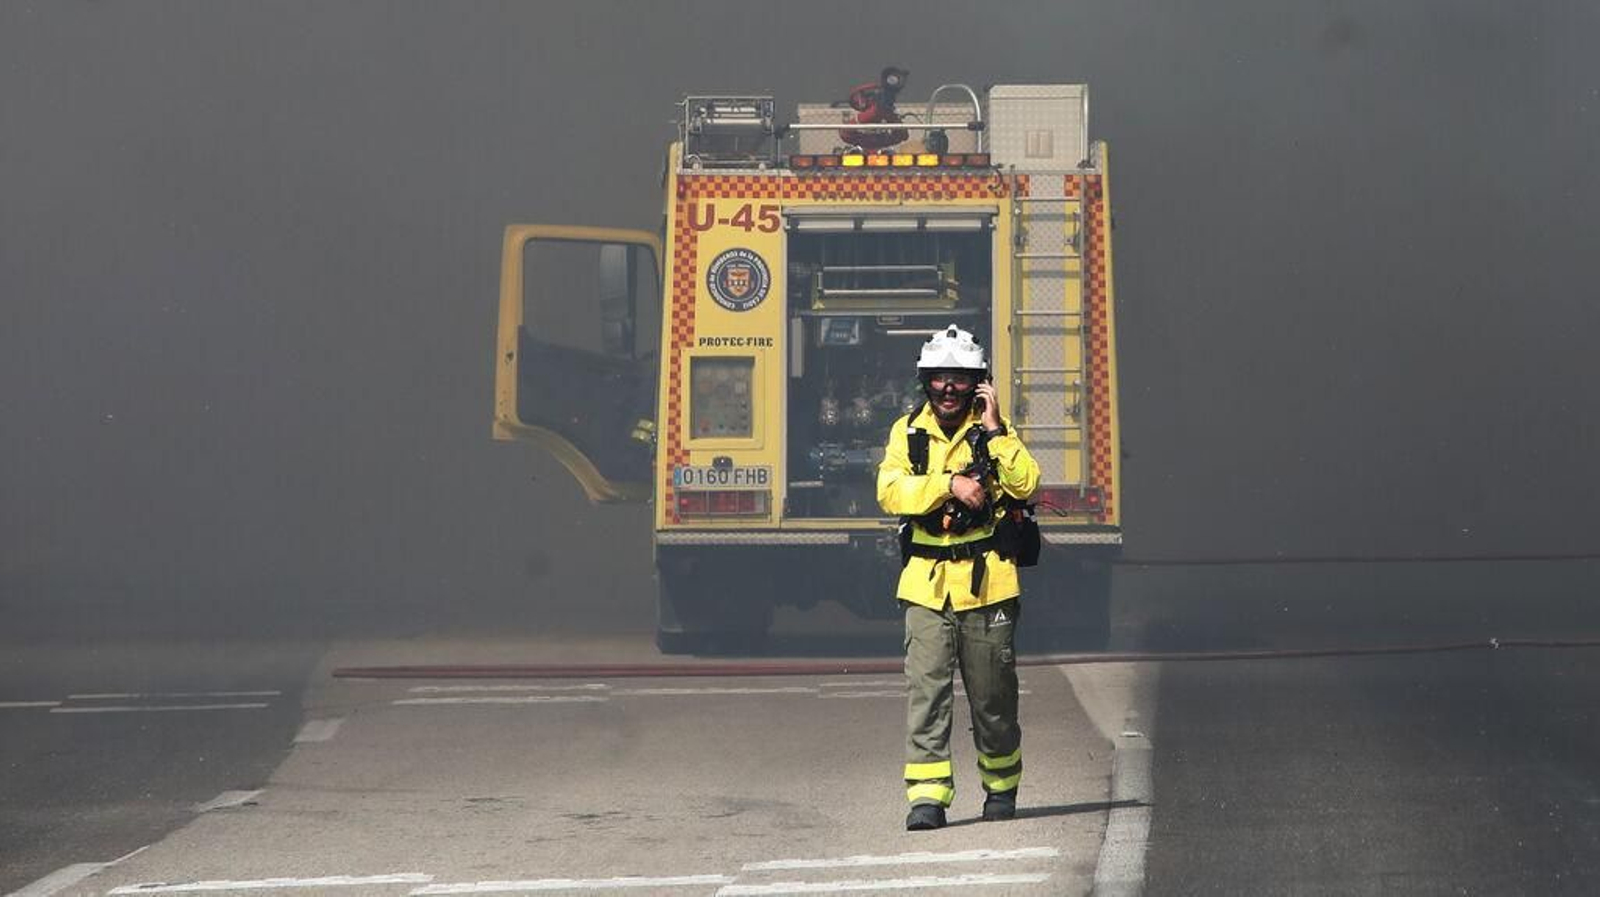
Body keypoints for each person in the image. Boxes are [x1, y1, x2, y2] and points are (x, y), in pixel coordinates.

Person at [876, 324, 1041, 831]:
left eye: (961, 379)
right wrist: (949, 485)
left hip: (987, 583)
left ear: (979, 384)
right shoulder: (907, 432)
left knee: (993, 698)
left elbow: (1027, 483)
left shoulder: (997, 434)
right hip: (925, 585)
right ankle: (927, 799)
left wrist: (994, 430)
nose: (949, 389)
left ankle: (1000, 786)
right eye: (939, 378)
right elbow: (889, 491)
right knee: (927, 694)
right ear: (925, 381)